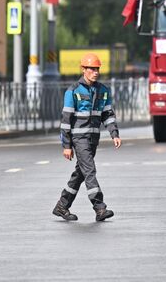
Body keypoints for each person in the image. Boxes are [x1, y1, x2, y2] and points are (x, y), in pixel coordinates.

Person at [53, 53, 122, 222]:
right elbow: (66, 120)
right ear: (83, 69)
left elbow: (108, 114)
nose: (95, 72)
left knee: (81, 173)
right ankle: (100, 208)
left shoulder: (103, 91)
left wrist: (114, 134)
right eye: (91, 69)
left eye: (97, 68)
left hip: (93, 138)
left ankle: (62, 206)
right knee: (90, 170)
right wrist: (67, 145)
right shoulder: (73, 91)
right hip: (79, 138)